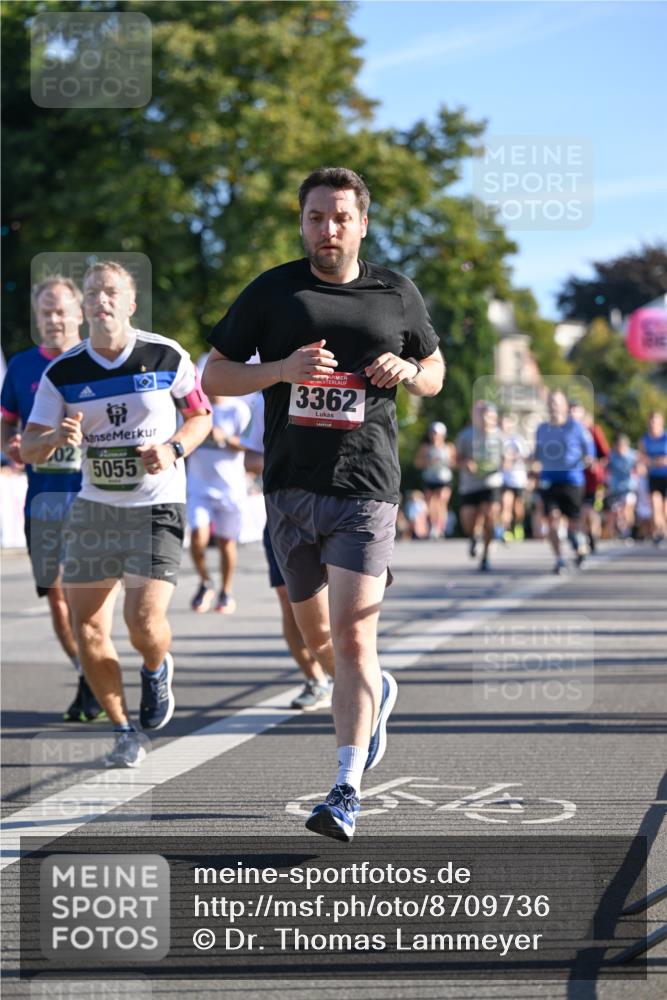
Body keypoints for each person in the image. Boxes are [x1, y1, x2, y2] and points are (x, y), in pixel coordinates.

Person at [202, 166, 444, 841]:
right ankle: (376, 691)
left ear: (361, 223)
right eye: (315, 216)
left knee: (354, 638)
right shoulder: (275, 291)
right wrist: (278, 371)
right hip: (288, 489)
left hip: (365, 487)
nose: (327, 228)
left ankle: (344, 789)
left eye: (340, 216)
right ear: (301, 221)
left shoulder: (394, 293)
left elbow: (434, 371)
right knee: (320, 644)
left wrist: (408, 371)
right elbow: (213, 374)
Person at [21, 261, 211, 767]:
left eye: (111, 293)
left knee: (142, 620)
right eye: (92, 294)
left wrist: (173, 448)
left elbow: (200, 416)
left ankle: (155, 666)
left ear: (130, 303)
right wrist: (55, 438)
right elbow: (30, 447)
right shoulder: (61, 372)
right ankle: (124, 729)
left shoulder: (165, 354)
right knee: (88, 628)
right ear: (83, 308)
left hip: (157, 503)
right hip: (95, 508)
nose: (100, 300)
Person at [1, 276, 104, 722]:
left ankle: (98, 678)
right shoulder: (23, 367)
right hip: (42, 501)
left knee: (91, 602)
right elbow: (7, 422)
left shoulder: (99, 362)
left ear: (79, 315)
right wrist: (10, 443)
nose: (54, 319)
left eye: (62, 311)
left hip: (95, 501)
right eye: (46, 312)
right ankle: (88, 675)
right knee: (59, 601)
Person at [241, 391, 334, 711]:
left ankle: (347, 672)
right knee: (290, 602)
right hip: (283, 516)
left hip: (336, 513)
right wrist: (285, 461)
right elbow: (249, 458)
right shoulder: (266, 398)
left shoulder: (342, 383)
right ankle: (316, 679)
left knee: (336, 602)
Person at [186, 393, 252, 614]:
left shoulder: (238, 409)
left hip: (229, 488)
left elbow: (249, 444)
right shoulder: (195, 409)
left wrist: (224, 438)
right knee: (197, 538)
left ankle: (225, 590)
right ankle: (205, 582)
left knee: (226, 543)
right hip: (198, 487)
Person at [533, 389, 593, 574]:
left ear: (565, 406)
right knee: (552, 520)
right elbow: (537, 454)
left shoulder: (576, 427)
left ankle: (578, 542)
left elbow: (589, 449)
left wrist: (588, 459)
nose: (553, 406)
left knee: (573, 524)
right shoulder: (542, 429)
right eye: (551, 402)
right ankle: (559, 559)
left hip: (572, 480)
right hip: (549, 479)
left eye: (557, 402)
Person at [455, 400, 504, 571]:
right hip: (470, 484)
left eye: (488, 415)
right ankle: (474, 537)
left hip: (492, 482)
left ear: (494, 417)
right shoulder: (466, 435)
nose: (484, 419)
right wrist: (466, 464)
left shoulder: (499, 436)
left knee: (490, 516)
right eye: (480, 415)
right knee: (469, 520)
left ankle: (486, 555)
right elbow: (457, 458)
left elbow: (508, 459)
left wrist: (505, 464)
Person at [413, 421, 454, 538]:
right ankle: (434, 525)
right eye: (433, 433)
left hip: (444, 479)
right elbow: (417, 463)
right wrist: (428, 462)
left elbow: (455, 462)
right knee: (431, 503)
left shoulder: (449, 447)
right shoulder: (425, 448)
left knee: (441, 501)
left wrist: (447, 462)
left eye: (437, 434)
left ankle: (440, 527)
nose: (435, 436)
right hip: (430, 478)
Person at [638, 410, 667, 545]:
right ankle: (660, 532)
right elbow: (642, 458)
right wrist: (650, 463)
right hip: (654, 477)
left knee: (665, 509)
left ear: (661, 423)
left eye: (655, 421)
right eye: (650, 422)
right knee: (656, 507)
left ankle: (663, 531)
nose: (652, 424)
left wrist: (652, 461)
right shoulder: (645, 439)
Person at [603, 433, 638, 539]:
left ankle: (630, 529)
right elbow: (605, 467)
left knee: (626, 508)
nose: (620, 448)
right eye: (618, 445)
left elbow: (640, 465)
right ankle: (623, 529)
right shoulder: (611, 456)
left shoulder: (633, 455)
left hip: (629, 488)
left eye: (622, 446)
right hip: (616, 489)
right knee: (617, 512)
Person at [500, 413, 529, 542]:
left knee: (518, 508)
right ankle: (506, 530)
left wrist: (512, 457)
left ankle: (517, 525)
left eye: (507, 423)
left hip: (518, 479)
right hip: (503, 479)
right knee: (506, 504)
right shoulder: (497, 439)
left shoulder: (518, 440)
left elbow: (526, 456)